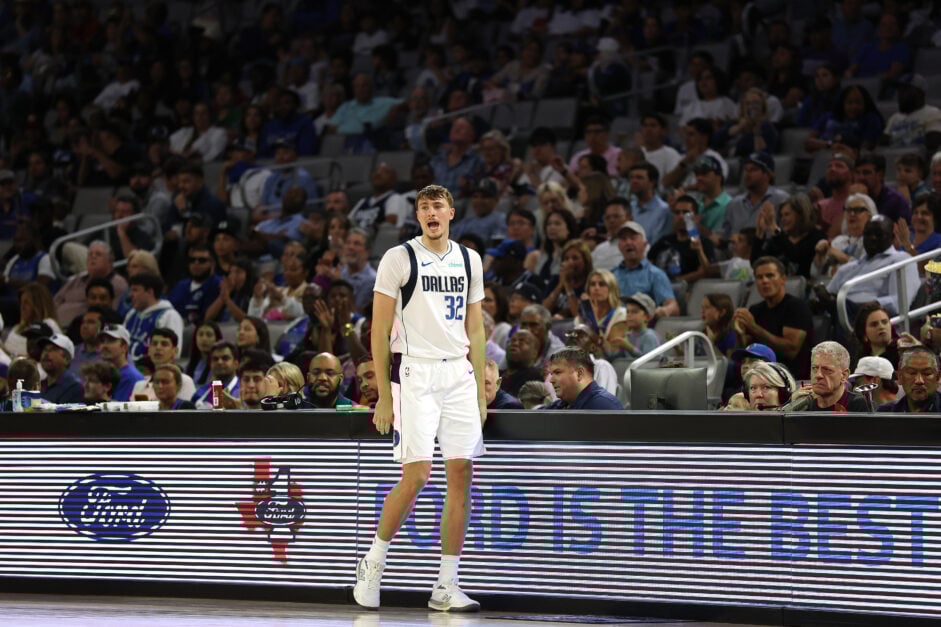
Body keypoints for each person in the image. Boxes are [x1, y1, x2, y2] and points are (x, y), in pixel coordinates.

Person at [354, 184, 486, 613]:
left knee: (461, 474)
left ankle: (446, 585)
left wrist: (482, 388)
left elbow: (477, 327)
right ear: (418, 215)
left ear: (451, 213)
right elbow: (377, 330)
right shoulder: (398, 257)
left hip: (458, 372)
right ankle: (373, 562)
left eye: (438, 206)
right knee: (418, 476)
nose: (431, 212)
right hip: (413, 372)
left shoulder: (470, 259)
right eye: (424, 207)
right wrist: (382, 395)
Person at [733, 257, 813, 380]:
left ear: (783, 279)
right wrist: (739, 332)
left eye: (770, 275)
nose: (764, 281)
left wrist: (754, 327)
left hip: (790, 377)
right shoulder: (756, 309)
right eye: (759, 277)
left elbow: (791, 350)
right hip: (759, 374)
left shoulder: (796, 307)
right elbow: (747, 348)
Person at [824, 216, 920, 316]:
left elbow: (899, 303)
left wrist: (865, 307)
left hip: (870, 317)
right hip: (837, 314)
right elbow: (828, 295)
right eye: (868, 234)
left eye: (879, 234)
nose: (872, 238)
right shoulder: (848, 268)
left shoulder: (901, 260)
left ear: (892, 237)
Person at [612, 222, 679, 319]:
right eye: (624, 239)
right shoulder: (611, 275)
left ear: (645, 244)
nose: (628, 242)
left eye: (633, 238)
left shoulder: (655, 275)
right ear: (619, 246)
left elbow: (673, 307)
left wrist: (664, 311)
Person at [754, 193, 827, 279]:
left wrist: (774, 228)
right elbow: (757, 264)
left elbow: (796, 256)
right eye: (781, 215)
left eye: (787, 214)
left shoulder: (816, 236)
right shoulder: (778, 240)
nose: (783, 219)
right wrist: (759, 233)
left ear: (800, 216)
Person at [785, 341, 869, 412]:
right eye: (814, 368)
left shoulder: (856, 405)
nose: (818, 375)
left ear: (844, 375)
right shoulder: (803, 405)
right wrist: (792, 405)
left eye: (827, 370)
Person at [124, 272, 184, 362]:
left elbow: (175, 353)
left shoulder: (169, 315)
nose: (130, 295)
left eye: (135, 290)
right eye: (131, 290)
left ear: (149, 292)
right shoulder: (131, 313)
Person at [130, 328, 196, 402]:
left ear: (175, 351)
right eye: (154, 344)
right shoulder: (139, 385)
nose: (158, 347)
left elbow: (185, 412)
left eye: (164, 344)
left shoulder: (185, 381)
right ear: (149, 350)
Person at [545, 348, 623, 410]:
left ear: (579, 373)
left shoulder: (605, 406)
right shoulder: (560, 406)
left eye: (558, 372)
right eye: (552, 374)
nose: (551, 380)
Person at [853, 154, 911, 225]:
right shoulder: (852, 197)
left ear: (881, 175)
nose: (861, 177)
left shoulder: (896, 201)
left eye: (866, 173)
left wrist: (864, 200)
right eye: (857, 173)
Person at [878, 347, 941, 413]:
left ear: (938, 377)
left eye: (927, 373)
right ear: (900, 377)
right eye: (912, 373)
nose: (919, 381)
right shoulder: (886, 412)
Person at [97, 324, 144, 402]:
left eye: (111, 341)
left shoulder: (132, 377)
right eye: (102, 341)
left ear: (124, 347)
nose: (104, 346)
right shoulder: (101, 374)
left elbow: (120, 411)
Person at [609, 292, 660, 359]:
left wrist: (629, 347)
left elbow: (649, 362)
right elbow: (616, 359)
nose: (629, 315)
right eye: (627, 312)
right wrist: (603, 347)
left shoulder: (649, 336)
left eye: (634, 312)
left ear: (647, 317)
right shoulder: (628, 335)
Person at [851, 302, 900, 370]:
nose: (881, 327)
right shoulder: (861, 364)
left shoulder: (903, 352)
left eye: (885, 322)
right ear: (864, 335)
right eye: (874, 324)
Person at [191, 341, 240, 409]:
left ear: (236, 363)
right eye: (215, 359)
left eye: (225, 358)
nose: (219, 362)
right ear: (210, 364)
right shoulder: (200, 392)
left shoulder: (244, 390)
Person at [38, 333, 82, 404]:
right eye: (45, 349)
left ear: (66, 359)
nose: (46, 353)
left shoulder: (74, 387)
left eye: (53, 349)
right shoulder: (40, 385)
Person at [185, 321, 222, 386]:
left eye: (209, 335)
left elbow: (217, 395)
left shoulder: (221, 366)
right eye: (200, 334)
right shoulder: (188, 367)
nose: (204, 339)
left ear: (217, 339)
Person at [702, 293, 736, 358]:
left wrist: (709, 341)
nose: (702, 311)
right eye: (702, 307)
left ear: (722, 312)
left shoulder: (731, 336)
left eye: (707, 307)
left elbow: (729, 363)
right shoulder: (702, 334)